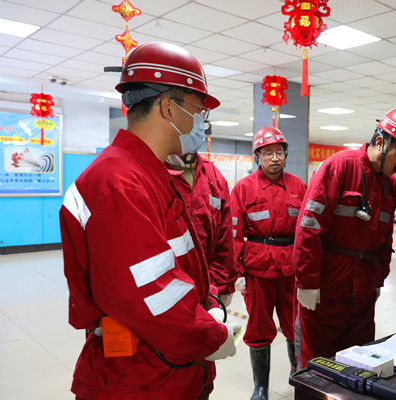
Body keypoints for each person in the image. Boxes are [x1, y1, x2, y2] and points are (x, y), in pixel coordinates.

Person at [59, 42, 241, 400]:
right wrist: (210, 336)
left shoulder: (148, 174)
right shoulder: (119, 183)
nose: (202, 123)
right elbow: (152, 293)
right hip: (140, 380)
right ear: (169, 107)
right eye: (199, 110)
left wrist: (207, 304)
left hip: (167, 369)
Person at [292, 107, 396, 369]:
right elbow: (308, 228)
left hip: (363, 294)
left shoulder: (389, 185)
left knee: (358, 364)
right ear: (380, 142)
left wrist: (378, 280)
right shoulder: (339, 167)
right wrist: (307, 282)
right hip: (326, 289)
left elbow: (384, 240)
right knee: (317, 365)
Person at [231, 126, 306, 400]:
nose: (274, 158)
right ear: (258, 157)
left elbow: (307, 231)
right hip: (257, 269)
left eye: (279, 152)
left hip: (291, 269)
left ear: (286, 155)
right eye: (267, 153)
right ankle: (260, 387)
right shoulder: (243, 188)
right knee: (259, 328)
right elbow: (233, 234)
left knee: (295, 326)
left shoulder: (299, 187)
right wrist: (236, 273)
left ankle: (299, 379)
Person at [166, 151, 238, 309]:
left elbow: (224, 241)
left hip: (207, 288)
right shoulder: (153, 171)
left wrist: (224, 287)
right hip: (165, 288)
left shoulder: (213, 176)